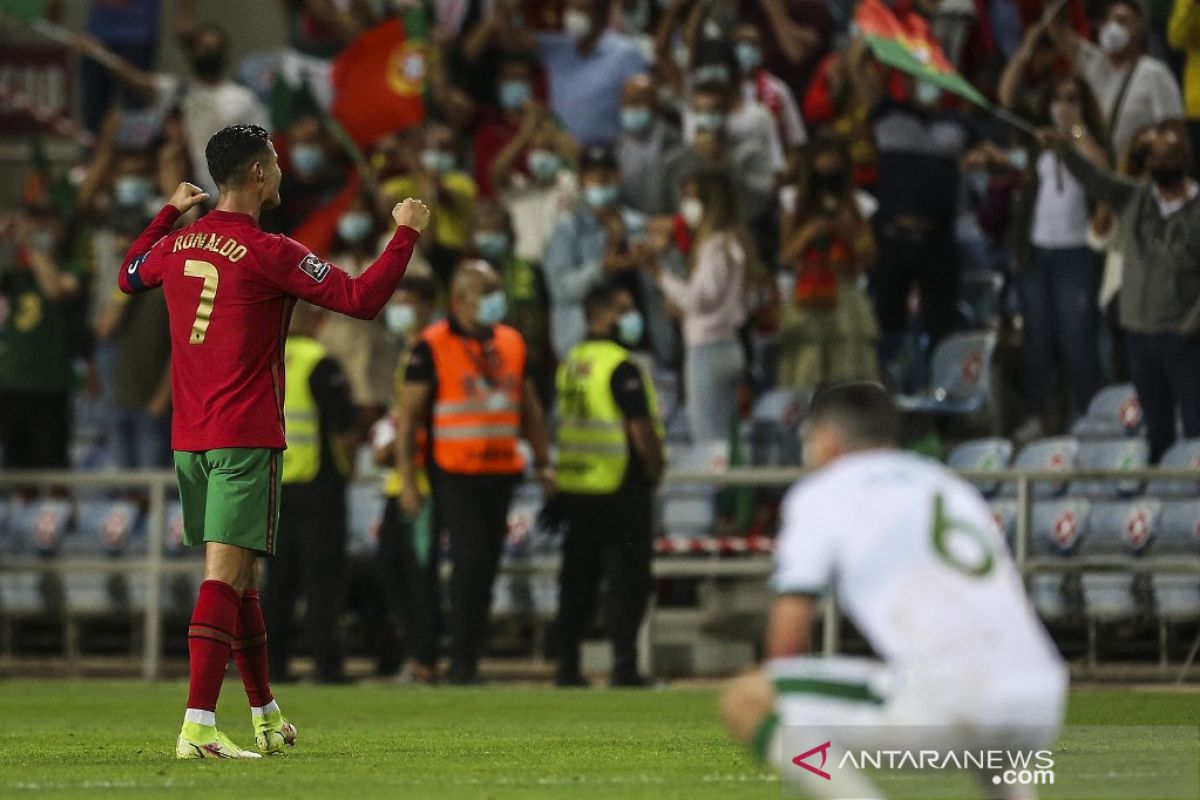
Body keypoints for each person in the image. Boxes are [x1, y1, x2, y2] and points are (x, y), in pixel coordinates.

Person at [117, 123, 429, 758]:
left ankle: (264, 713)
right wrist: (406, 233)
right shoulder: (271, 251)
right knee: (224, 577)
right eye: (277, 162)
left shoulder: (177, 244)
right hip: (243, 434)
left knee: (245, 578)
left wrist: (167, 214)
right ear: (257, 174)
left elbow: (128, 275)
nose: (283, 171)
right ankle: (198, 726)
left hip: (191, 438)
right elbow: (364, 299)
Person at [720, 383, 1068, 789]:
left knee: (747, 699)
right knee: (995, 753)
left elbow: (786, 642)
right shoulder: (947, 485)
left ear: (828, 441)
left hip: (950, 697)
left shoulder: (823, 493)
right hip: (1041, 694)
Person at [396, 260, 554, 685]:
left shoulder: (512, 343)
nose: (496, 299)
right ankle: (458, 660)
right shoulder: (431, 346)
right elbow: (408, 420)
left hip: (500, 471)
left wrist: (543, 462)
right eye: (487, 291)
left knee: (484, 568)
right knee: (467, 564)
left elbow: (530, 408)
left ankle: (468, 657)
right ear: (461, 301)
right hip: (454, 472)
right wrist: (409, 481)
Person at [1042, 122, 1200, 462]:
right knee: (1156, 428)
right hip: (1140, 334)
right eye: (1155, 156)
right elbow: (1096, 180)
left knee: (1195, 426)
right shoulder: (1136, 198)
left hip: (1185, 338)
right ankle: (1162, 494)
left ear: (1186, 159)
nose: (1163, 163)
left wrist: (1191, 323)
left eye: (1170, 155)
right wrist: (1065, 151)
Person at [554, 282, 663, 688]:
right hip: (620, 485)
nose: (633, 317)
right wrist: (655, 467)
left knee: (576, 581)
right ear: (603, 316)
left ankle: (566, 666)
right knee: (627, 580)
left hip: (577, 484)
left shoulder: (572, 361)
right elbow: (641, 428)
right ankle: (624, 666)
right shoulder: (621, 365)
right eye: (625, 309)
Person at [848, 38, 975, 380]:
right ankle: (888, 395)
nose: (926, 87)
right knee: (888, 324)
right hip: (894, 239)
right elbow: (856, 65)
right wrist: (880, 34)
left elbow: (984, 155)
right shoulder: (888, 115)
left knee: (941, 326)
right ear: (905, 82)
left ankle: (940, 410)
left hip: (938, 240)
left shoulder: (958, 125)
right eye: (919, 78)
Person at [262, 302, 357, 685]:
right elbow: (347, 430)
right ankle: (327, 667)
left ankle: (273, 669)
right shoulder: (322, 363)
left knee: (278, 585)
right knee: (322, 582)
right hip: (320, 487)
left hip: (275, 487)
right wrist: (347, 472)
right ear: (316, 322)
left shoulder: (264, 361)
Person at [1008, 75, 1109, 437]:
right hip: (1037, 250)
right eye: (1058, 98)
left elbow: (1102, 170)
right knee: (1038, 337)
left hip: (1077, 252)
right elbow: (1006, 93)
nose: (1063, 104)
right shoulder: (1038, 141)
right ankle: (1036, 413)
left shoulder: (1088, 140)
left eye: (1072, 98)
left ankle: (1089, 414)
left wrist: (1076, 130)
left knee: (1078, 336)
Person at [645, 169, 750, 443]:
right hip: (724, 345)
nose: (685, 207)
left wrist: (658, 273)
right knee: (726, 437)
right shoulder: (730, 242)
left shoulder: (717, 246)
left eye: (692, 198)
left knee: (709, 437)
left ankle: (720, 487)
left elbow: (698, 299)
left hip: (709, 349)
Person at [374, 276, 441, 684]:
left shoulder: (430, 350)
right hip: (401, 479)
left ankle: (424, 660)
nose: (399, 309)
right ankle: (413, 656)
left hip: (421, 482)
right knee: (393, 572)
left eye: (409, 301)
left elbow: (422, 419)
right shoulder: (410, 351)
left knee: (418, 577)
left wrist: (412, 478)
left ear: (428, 307)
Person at [775, 133, 879, 390]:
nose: (827, 170)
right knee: (806, 376)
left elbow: (869, 257)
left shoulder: (857, 203)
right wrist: (808, 234)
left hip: (846, 298)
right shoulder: (794, 201)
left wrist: (849, 232)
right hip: (808, 296)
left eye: (833, 164)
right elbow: (785, 256)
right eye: (821, 163)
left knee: (849, 377)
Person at [0, 209, 86, 470]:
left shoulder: (73, 269)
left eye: (46, 228)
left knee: (52, 466)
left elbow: (54, 290)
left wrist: (33, 244)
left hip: (50, 383)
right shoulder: (15, 275)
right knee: (17, 469)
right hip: (12, 382)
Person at [1051, 0, 1184, 157]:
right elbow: (1057, 28)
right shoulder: (1094, 64)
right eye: (1106, 20)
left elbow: (1176, 135)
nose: (1111, 27)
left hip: (1135, 174)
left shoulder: (1155, 73)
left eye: (1121, 20)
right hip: (1094, 168)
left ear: (1140, 27)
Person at [537, 0, 649, 145]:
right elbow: (508, 38)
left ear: (600, 15)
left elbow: (642, 110)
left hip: (607, 158)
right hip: (561, 156)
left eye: (582, 10)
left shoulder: (625, 55)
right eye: (572, 10)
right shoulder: (558, 48)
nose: (573, 17)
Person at [178, 24, 271, 198]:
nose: (208, 53)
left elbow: (263, 148)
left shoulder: (243, 98)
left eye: (214, 48)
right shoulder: (180, 95)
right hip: (191, 196)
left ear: (224, 53)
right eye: (203, 47)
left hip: (234, 195)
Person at [615, 73, 683, 215]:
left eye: (638, 101)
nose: (632, 107)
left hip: (664, 217)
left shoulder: (671, 139)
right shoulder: (619, 142)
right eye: (627, 102)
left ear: (655, 104)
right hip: (631, 217)